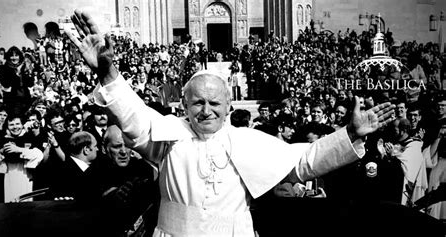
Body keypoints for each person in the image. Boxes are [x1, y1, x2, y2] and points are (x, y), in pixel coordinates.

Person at [65, 10, 395, 236]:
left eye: (214, 103)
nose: (206, 111)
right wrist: (107, 72)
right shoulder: (168, 135)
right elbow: (135, 118)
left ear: (228, 106)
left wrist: (350, 134)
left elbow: (304, 161)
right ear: (184, 104)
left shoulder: (249, 141)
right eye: (197, 102)